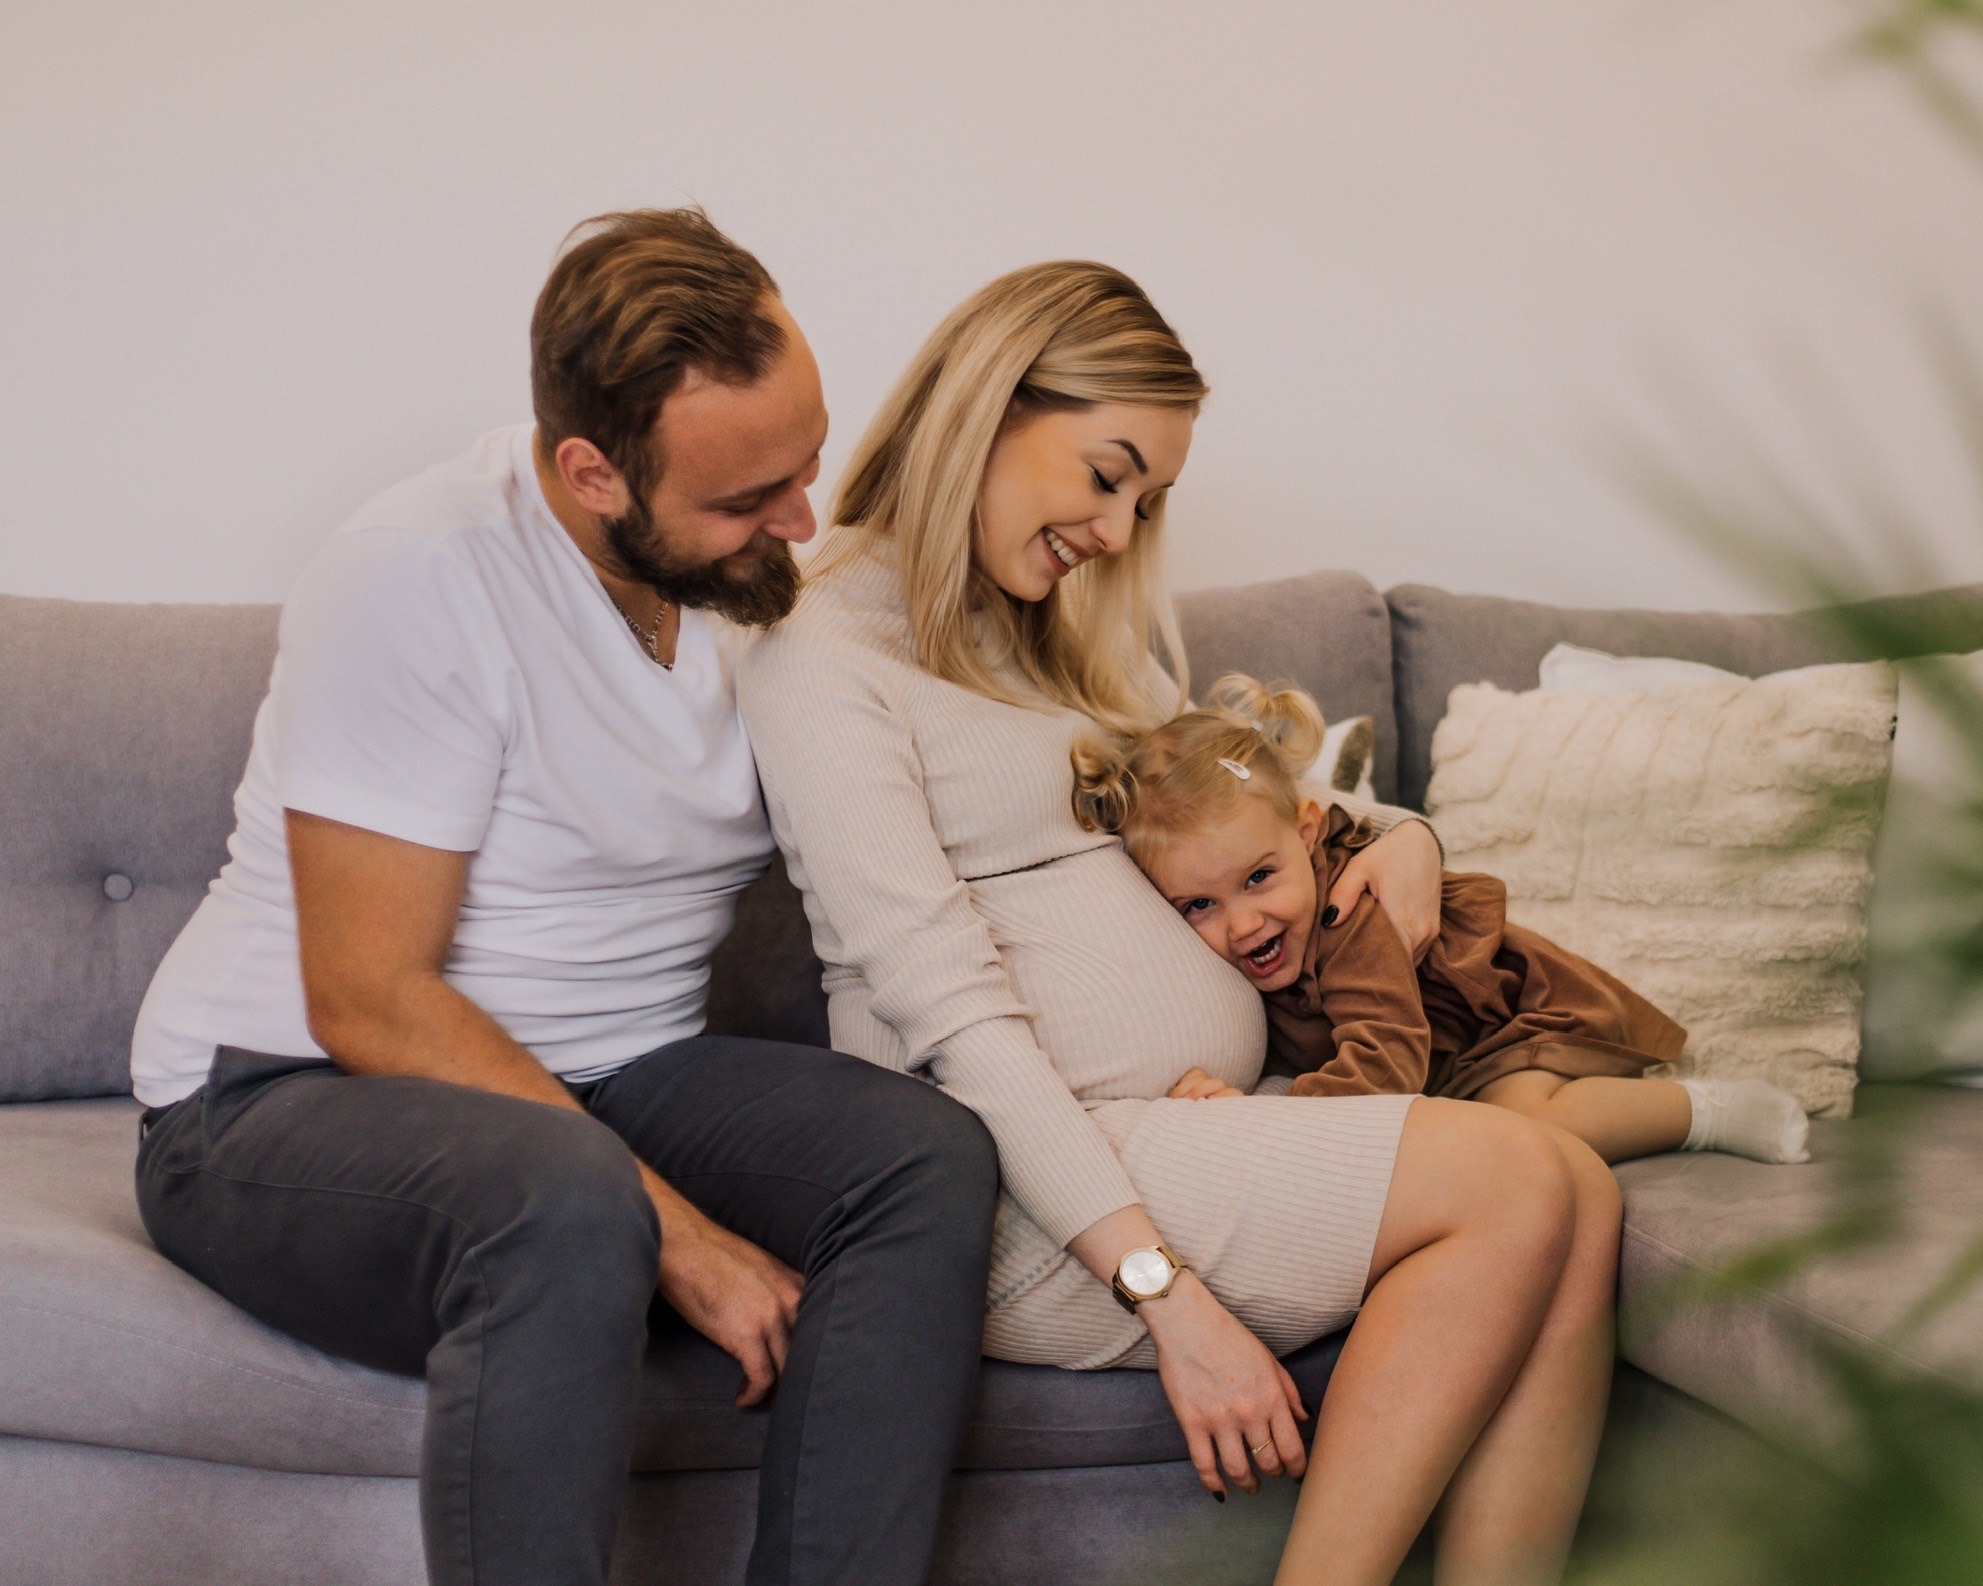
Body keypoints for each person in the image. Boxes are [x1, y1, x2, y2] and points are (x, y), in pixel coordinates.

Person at [128, 209, 999, 1586]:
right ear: (591, 472)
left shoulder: (756, 582)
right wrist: (687, 1236)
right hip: (279, 1092)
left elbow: (1025, 754)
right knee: (572, 1200)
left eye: (806, 461)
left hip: (612, 1073)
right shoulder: (421, 570)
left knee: (923, 1154)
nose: (800, 519)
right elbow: (366, 997)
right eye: (742, 496)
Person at [738, 259, 1625, 1586]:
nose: (1115, 524)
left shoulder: (1055, 635)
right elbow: (950, 1018)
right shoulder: (820, 657)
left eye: (1143, 496)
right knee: (1510, 1176)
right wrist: (1163, 1294)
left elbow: (1259, 797)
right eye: (1106, 472)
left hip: (1192, 1125)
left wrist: (1409, 836)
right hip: (1034, 1194)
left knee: (1582, 1193)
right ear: (989, 405)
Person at [1073, 672, 1814, 1167]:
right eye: (1199, 905)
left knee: (1522, 1128)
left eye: (1258, 878)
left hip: (1521, 1024)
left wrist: (1255, 1115)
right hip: (1454, 1059)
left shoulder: (1346, 914)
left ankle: (1704, 1109)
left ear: (1306, 834)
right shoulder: (1264, 928)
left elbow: (1386, 1062)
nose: (1241, 923)